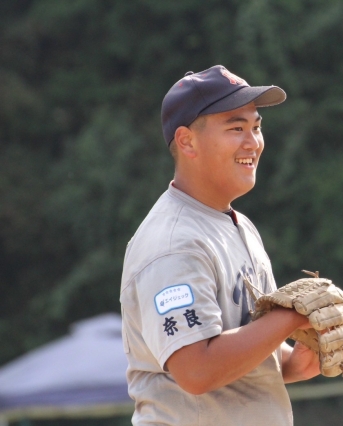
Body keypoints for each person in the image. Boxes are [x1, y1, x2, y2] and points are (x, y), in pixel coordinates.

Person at [119, 65, 321, 425]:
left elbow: (246, 357)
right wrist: (292, 316)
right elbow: (196, 370)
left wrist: (299, 359)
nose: (253, 142)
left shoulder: (238, 225)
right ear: (187, 141)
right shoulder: (174, 243)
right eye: (236, 128)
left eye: (256, 127)